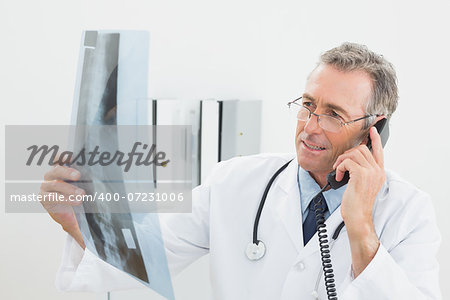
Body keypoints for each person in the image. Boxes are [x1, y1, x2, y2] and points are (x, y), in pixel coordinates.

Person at [40, 42, 441, 299]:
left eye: (334, 114)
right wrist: (77, 221)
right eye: (307, 105)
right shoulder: (234, 182)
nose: (311, 125)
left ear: (374, 129)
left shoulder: (407, 212)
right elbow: (147, 256)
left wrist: (361, 228)